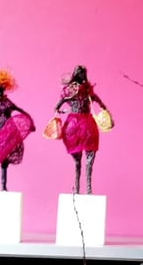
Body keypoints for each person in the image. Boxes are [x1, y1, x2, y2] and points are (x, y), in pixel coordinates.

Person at [54, 65, 111, 195]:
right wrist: (105, 112)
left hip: (74, 125)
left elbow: (56, 107)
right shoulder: (87, 91)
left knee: (78, 162)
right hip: (85, 125)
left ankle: (79, 189)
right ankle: (87, 189)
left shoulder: (71, 91)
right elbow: (101, 104)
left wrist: (63, 110)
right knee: (87, 160)